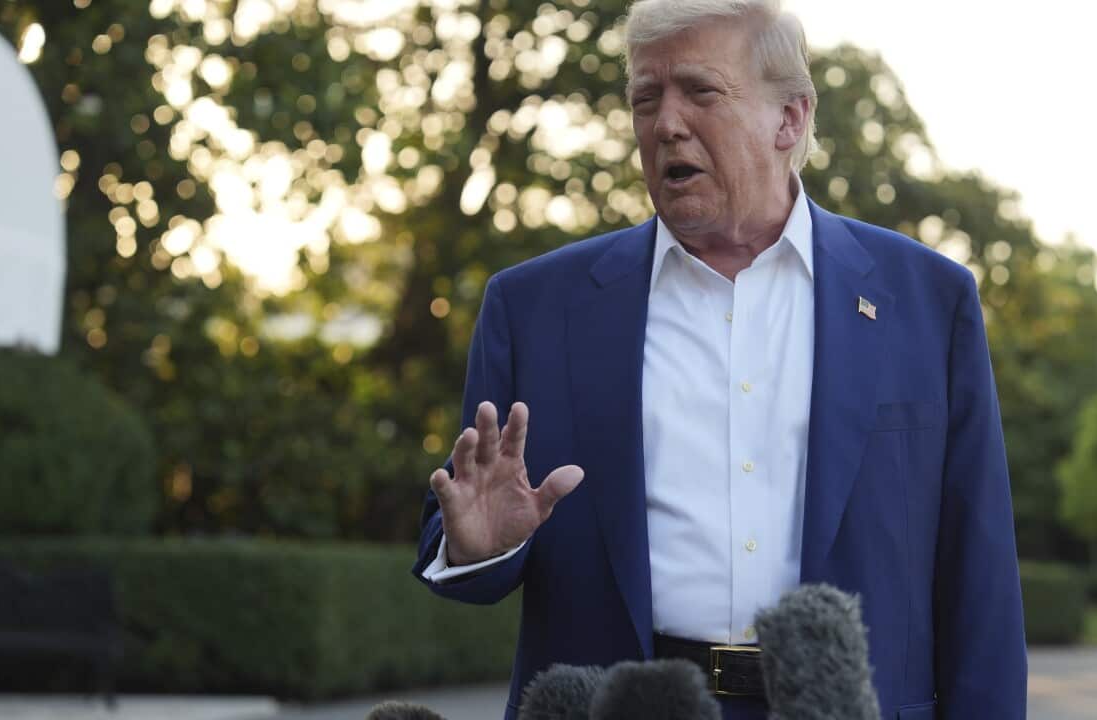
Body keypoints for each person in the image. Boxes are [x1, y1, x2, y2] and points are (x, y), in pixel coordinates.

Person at [412, 1, 1027, 718]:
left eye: (700, 91)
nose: (666, 124)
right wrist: (479, 548)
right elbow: (462, 536)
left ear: (789, 119)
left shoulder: (926, 300)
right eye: (646, 99)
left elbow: (979, 574)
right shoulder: (535, 308)